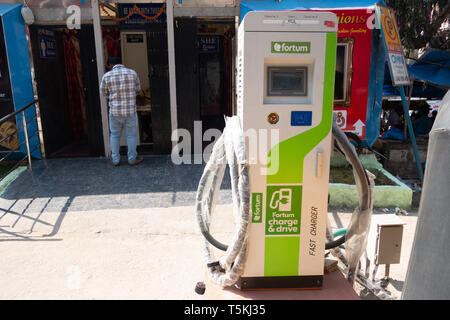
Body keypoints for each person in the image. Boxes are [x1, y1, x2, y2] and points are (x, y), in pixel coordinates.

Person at [100, 56, 143, 166]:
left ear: (110, 65)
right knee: (131, 136)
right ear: (120, 63)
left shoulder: (107, 76)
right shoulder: (132, 73)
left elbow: (103, 93)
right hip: (130, 111)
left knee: (114, 135)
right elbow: (138, 89)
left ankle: (115, 160)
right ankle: (132, 159)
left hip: (114, 112)